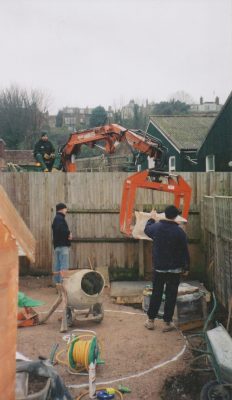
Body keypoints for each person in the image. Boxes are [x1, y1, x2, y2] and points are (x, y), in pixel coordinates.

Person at [144, 205, 190, 332]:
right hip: (175, 269)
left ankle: (150, 321)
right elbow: (185, 251)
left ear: (164, 214)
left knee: (156, 293)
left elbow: (147, 230)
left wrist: (151, 218)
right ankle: (167, 323)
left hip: (159, 268)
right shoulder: (180, 232)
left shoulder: (156, 227)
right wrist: (186, 266)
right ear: (176, 216)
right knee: (171, 295)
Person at [52, 203, 72, 285]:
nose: (66, 211)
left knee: (57, 265)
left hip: (57, 246)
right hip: (63, 246)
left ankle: (57, 284)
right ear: (62, 209)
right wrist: (69, 234)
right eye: (65, 209)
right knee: (64, 266)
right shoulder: (60, 219)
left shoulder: (56, 219)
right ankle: (62, 284)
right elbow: (62, 231)